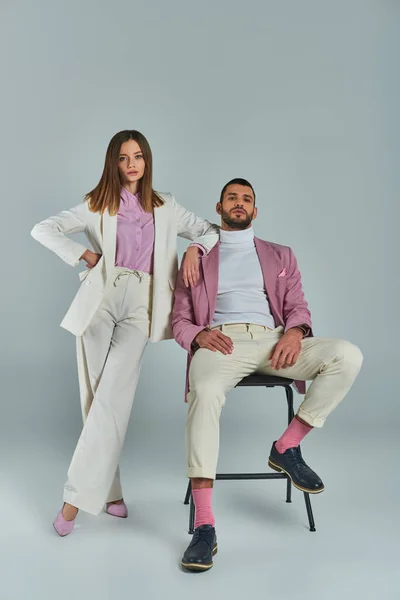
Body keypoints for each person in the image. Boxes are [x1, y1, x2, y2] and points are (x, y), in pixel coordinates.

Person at [31, 129, 219, 536]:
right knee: (96, 398)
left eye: (138, 156)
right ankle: (112, 494)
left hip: (143, 305)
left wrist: (192, 249)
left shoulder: (166, 205)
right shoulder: (95, 203)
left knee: (113, 397)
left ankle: (72, 503)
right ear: (112, 163)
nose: (132, 163)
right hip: (100, 297)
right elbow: (42, 229)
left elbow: (209, 230)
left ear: (147, 160)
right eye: (123, 157)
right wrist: (82, 253)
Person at [172, 178, 363, 571]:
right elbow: (179, 321)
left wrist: (295, 331)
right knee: (204, 392)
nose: (239, 204)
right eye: (232, 198)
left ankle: (286, 447)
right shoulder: (197, 257)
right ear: (219, 207)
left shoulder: (281, 255)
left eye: (246, 199)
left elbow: (298, 306)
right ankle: (205, 528)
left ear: (255, 211)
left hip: (275, 342)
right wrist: (200, 335)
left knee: (346, 355)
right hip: (221, 343)